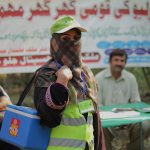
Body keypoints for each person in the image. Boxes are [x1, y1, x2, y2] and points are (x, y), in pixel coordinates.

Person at [33, 16, 106, 150]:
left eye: (76, 38)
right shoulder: (46, 74)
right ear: (54, 42)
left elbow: (95, 118)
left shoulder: (86, 73)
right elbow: (48, 119)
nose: (72, 43)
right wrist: (61, 83)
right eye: (65, 39)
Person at [95, 49, 149, 150]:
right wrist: (112, 116)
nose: (119, 63)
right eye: (116, 60)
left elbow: (136, 102)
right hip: (107, 120)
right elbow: (98, 105)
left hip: (128, 119)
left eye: (122, 61)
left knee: (145, 125)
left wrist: (128, 114)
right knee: (99, 127)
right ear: (110, 61)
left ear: (125, 63)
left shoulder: (131, 78)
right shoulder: (99, 78)